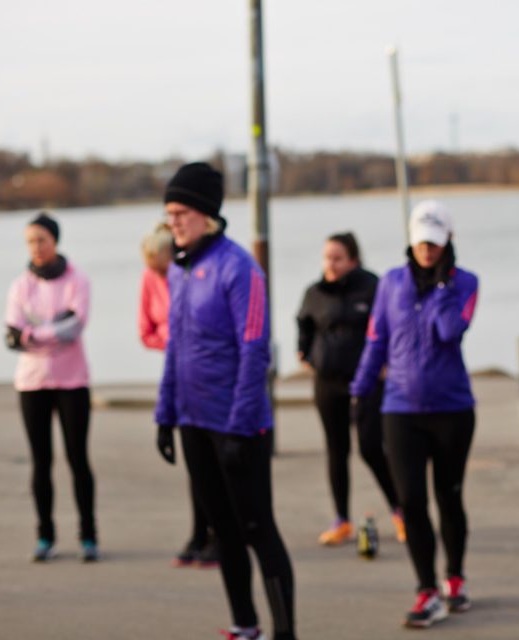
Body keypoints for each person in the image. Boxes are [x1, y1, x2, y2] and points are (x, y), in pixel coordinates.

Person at [154, 162, 295, 640]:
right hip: (193, 422)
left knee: (258, 530)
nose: (172, 222)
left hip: (240, 427)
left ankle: (285, 632)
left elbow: (255, 352)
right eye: (168, 213)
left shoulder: (240, 269)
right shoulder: (179, 269)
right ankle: (245, 625)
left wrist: (237, 428)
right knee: (223, 531)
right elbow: (175, 347)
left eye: (181, 212)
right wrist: (164, 415)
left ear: (206, 215)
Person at [350, 200, 479, 628]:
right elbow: (375, 341)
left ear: (448, 242)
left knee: (449, 495)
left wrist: (440, 288)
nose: (427, 250)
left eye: (435, 243)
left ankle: (455, 579)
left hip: (452, 410)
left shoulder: (466, 283)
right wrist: (360, 390)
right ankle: (427, 589)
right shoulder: (390, 284)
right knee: (411, 500)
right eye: (422, 241)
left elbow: (450, 331)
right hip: (400, 409)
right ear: (411, 239)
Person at [296, 232, 403, 546]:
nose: (330, 263)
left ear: (353, 260)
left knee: (371, 448)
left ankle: (401, 512)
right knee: (336, 450)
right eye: (327, 257)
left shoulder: (373, 287)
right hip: (327, 382)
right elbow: (303, 324)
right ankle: (341, 520)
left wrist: (386, 364)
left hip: (366, 381)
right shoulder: (314, 293)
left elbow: (390, 326)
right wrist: (303, 353)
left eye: (337, 258)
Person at [5, 212, 99, 562]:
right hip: (32, 384)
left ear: (55, 241)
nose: (36, 247)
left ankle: (88, 535)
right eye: (30, 241)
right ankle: (45, 535)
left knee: (78, 460)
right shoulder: (20, 286)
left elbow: (76, 326)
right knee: (40, 462)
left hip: (73, 381)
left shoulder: (78, 281)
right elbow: (12, 336)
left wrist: (34, 332)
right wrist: (49, 330)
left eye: (41, 240)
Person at [139, 222, 219, 568]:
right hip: (178, 369)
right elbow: (146, 331)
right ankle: (198, 532)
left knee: (215, 463)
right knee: (195, 462)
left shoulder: (190, 273)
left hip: (207, 372)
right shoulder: (151, 279)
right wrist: (174, 343)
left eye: (161, 265)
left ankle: (220, 534)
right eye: (153, 267)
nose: (158, 272)